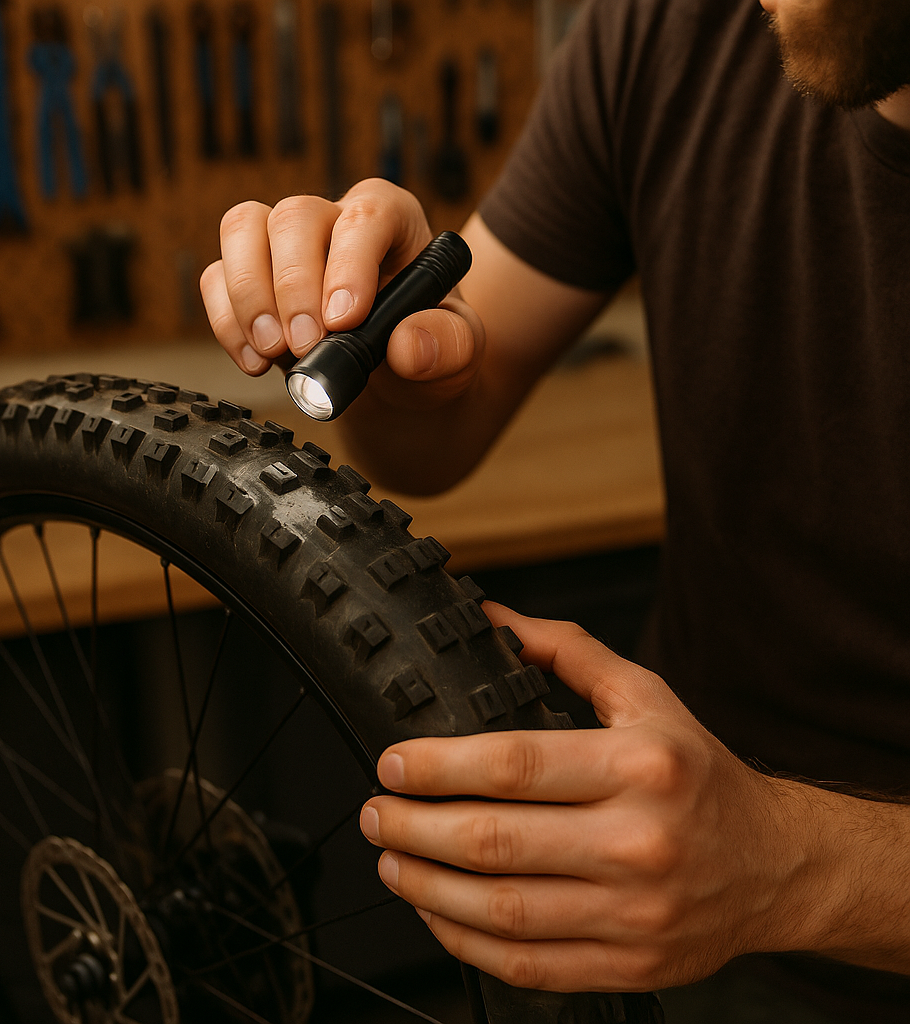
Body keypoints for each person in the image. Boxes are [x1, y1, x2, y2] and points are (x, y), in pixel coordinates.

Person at [200, 0, 910, 1019]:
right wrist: (395, 359)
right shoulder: (675, 34)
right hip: (672, 907)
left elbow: (780, 872)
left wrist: (790, 867)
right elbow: (434, 432)